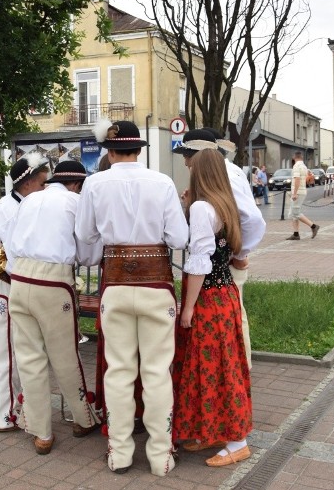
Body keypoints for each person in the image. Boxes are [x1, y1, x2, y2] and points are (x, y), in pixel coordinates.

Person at [75, 119, 188, 477]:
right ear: (139, 149)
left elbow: (84, 237)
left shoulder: (94, 184)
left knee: (119, 371)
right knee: (157, 372)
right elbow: (179, 239)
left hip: (116, 284)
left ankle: (119, 453)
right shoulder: (162, 182)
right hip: (157, 285)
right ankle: (160, 456)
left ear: (109, 151)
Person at [7, 160, 102, 455]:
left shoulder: (31, 198)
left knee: (29, 359)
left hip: (20, 280)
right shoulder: (74, 202)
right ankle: (83, 419)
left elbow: (11, 244)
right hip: (53, 282)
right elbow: (89, 254)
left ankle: (41, 432)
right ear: (76, 184)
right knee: (64, 356)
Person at [173, 148, 252, 467]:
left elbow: (198, 262)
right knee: (223, 363)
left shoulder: (204, 208)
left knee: (215, 366)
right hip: (227, 294)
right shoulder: (226, 205)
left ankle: (237, 441)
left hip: (208, 298)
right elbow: (239, 256)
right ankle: (218, 432)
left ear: (198, 173)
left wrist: (188, 307)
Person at [174, 128, 265, 369]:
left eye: (187, 156)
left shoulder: (223, 176)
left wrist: (240, 254)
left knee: (227, 330)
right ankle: (233, 377)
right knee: (229, 327)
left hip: (218, 271)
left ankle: (238, 370)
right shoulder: (222, 176)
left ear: (201, 155)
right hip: (220, 270)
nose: (185, 163)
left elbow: (253, 220)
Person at [0, 153, 49, 432]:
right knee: (5, 352)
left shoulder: (9, 204)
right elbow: (15, 255)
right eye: (42, 184)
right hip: (2, 282)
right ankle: (6, 415)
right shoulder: (14, 209)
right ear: (28, 184)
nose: (45, 189)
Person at [286, 150, 319, 240]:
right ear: (302, 157)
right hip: (302, 191)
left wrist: (295, 193)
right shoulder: (304, 166)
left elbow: (297, 179)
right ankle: (296, 234)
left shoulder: (296, 166)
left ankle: (313, 226)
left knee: (295, 213)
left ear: (294, 157)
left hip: (298, 192)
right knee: (293, 213)